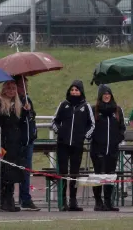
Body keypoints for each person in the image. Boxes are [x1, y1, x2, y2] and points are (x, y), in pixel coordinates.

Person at [52, 80, 95, 211]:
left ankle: (73, 201)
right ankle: (63, 201)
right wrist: (60, 131)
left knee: (75, 173)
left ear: (81, 91)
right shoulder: (63, 105)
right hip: (62, 144)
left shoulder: (86, 106)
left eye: (76, 90)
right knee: (63, 172)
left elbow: (92, 124)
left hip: (77, 145)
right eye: (72, 90)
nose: (74, 92)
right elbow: (54, 121)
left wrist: (84, 135)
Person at [0, 80, 25, 212]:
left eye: (14, 88)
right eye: (9, 88)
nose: (11, 91)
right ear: (4, 89)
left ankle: (10, 199)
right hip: (3, 143)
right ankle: (3, 200)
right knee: (5, 172)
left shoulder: (17, 104)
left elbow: (19, 123)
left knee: (14, 173)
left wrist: (27, 111)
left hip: (15, 144)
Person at [90, 84, 125, 211]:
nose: (106, 96)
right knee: (99, 174)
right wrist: (95, 138)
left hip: (113, 149)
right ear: (100, 95)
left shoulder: (117, 110)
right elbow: (90, 127)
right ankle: (98, 202)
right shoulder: (94, 110)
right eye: (104, 94)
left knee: (110, 175)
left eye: (108, 93)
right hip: (97, 149)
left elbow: (122, 127)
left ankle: (108, 202)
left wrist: (118, 138)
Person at [14, 75, 39, 211]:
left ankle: (26, 198)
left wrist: (30, 111)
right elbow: (16, 119)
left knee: (27, 171)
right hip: (19, 141)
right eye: (22, 84)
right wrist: (24, 111)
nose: (25, 87)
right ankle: (11, 197)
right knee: (15, 170)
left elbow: (32, 115)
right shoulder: (14, 100)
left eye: (26, 84)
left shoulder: (27, 99)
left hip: (29, 140)